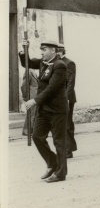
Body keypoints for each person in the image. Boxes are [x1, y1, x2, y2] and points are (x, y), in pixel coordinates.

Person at [19, 40, 68, 183]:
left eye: (44, 49)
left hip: (57, 110)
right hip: (44, 109)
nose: (41, 52)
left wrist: (34, 101)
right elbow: (26, 63)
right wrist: (23, 50)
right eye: (41, 50)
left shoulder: (60, 66)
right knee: (37, 136)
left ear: (53, 50)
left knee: (59, 141)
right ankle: (52, 163)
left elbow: (52, 88)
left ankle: (60, 174)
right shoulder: (42, 62)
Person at [57, 45, 77, 158]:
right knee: (61, 124)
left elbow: (70, 82)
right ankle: (69, 147)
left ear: (61, 52)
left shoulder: (69, 63)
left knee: (67, 123)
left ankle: (68, 151)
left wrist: (67, 98)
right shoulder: (56, 63)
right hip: (57, 98)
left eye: (57, 52)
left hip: (67, 98)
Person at [21, 68, 39, 136]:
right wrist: (25, 96)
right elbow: (24, 85)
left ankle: (31, 130)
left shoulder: (33, 71)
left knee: (33, 113)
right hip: (31, 96)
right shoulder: (28, 71)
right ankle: (26, 131)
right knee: (31, 113)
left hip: (35, 95)